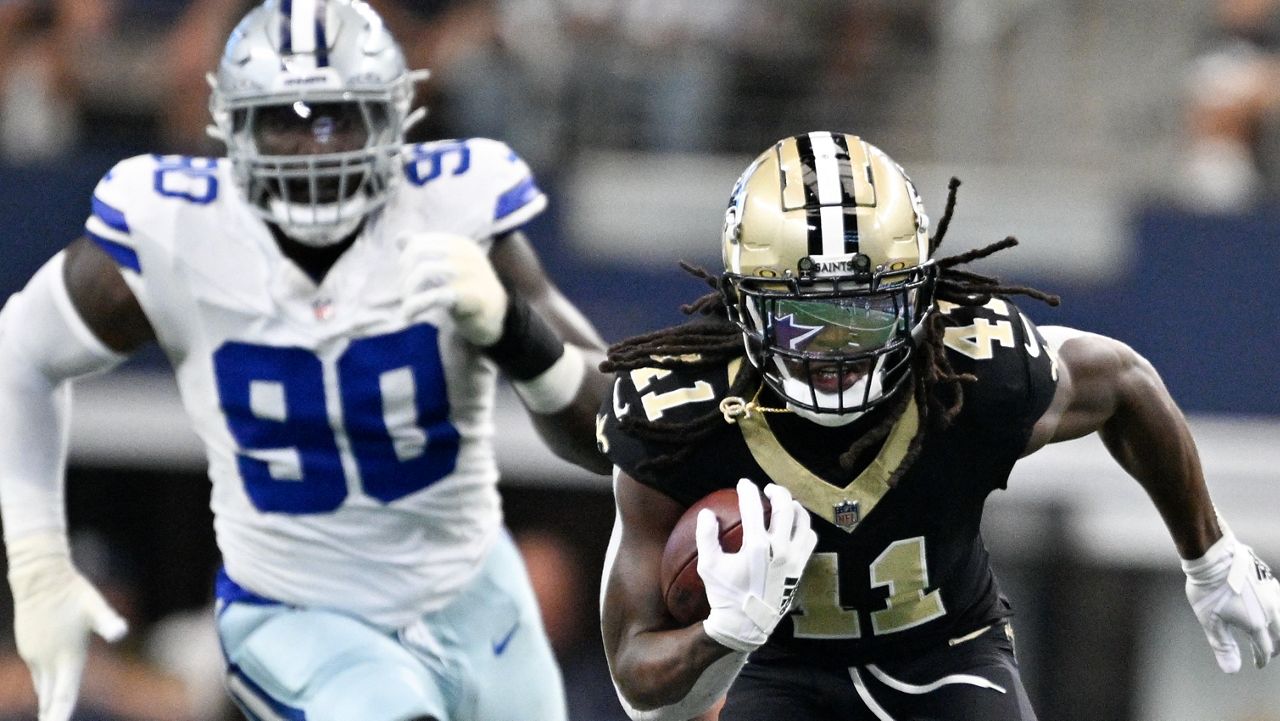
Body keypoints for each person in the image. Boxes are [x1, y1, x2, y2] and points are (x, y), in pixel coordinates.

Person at [0, 1, 611, 720]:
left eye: (338, 117)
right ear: (231, 126)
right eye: (284, 119)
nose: (314, 147)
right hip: (293, 608)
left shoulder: (455, 210)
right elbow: (21, 353)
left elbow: (612, 429)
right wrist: (38, 559)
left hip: (471, 594)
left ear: (394, 120)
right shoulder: (176, 230)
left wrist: (517, 333)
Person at [596, 132, 1280, 720]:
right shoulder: (679, 409)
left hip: (949, 654)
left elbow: (1124, 382)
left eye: (866, 312)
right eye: (803, 321)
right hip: (775, 673)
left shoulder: (971, 372)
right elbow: (638, 676)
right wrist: (722, 635)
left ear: (922, 297)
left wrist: (1211, 555)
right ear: (740, 307)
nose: (838, 355)